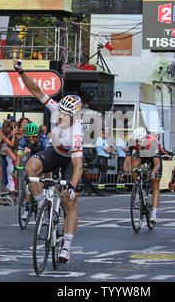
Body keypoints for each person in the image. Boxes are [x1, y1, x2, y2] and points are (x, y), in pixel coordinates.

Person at [14, 58, 83, 263]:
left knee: (70, 201)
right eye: (60, 111)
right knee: (30, 168)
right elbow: (36, 90)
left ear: (74, 117)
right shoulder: (56, 109)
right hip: (54, 152)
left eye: (65, 114)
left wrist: (72, 187)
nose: (60, 116)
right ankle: (41, 203)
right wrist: (21, 72)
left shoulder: (76, 132)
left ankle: (67, 246)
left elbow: (78, 166)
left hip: (70, 160)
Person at [123, 126, 162, 224]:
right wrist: (125, 171)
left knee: (155, 183)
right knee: (133, 165)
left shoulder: (153, 141)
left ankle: (154, 213)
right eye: (136, 142)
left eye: (140, 142)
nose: (137, 144)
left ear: (145, 139)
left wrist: (153, 173)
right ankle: (137, 187)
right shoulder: (131, 141)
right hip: (142, 154)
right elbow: (127, 159)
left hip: (152, 155)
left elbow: (157, 164)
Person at [16, 123, 46, 220]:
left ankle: (42, 210)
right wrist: (16, 167)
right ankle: (27, 208)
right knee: (28, 185)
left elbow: (49, 156)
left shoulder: (44, 140)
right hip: (33, 158)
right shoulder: (23, 139)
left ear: (38, 135)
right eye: (29, 137)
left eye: (34, 136)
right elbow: (19, 154)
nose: (31, 139)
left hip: (45, 158)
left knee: (40, 183)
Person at [95, 128, 112, 196]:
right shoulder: (100, 140)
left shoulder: (103, 140)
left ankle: (101, 190)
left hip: (104, 159)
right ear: (99, 133)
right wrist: (109, 149)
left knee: (103, 175)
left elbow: (109, 149)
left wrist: (109, 149)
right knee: (102, 175)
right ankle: (100, 191)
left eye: (105, 133)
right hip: (102, 159)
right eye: (102, 133)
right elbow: (108, 150)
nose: (104, 134)